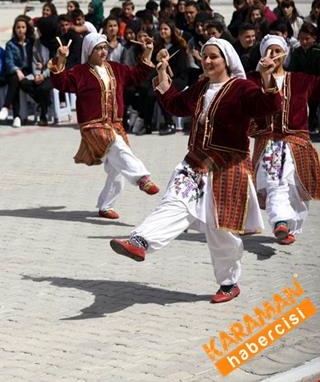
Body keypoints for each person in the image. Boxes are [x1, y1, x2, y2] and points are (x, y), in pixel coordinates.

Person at [110, 38, 282, 303]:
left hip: (228, 166)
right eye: (205, 57)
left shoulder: (242, 88)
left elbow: (268, 105)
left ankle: (229, 282)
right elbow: (176, 105)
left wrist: (268, 76)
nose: (208, 61)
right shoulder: (202, 86)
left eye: (214, 57)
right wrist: (162, 73)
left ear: (227, 60)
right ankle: (140, 241)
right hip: (195, 163)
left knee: (219, 230)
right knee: (174, 202)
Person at [48, 32, 159, 219]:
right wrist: (61, 58)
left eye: (105, 47)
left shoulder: (116, 68)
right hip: (92, 125)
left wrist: (147, 53)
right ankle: (143, 178)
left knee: (118, 166)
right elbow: (61, 82)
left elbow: (137, 75)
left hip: (115, 124)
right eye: (98, 48)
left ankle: (106, 205)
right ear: (89, 51)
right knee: (117, 146)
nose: (103, 52)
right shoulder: (80, 72)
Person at [248, 35, 320, 245]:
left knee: (295, 190)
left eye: (276, 50)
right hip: (269, 143)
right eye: (268, 50)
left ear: (285, 53)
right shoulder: (252, 80)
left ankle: (289, 227)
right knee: (275, 182)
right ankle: (280, 222)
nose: (272, 55)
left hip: (296, 143)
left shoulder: (300, 79)